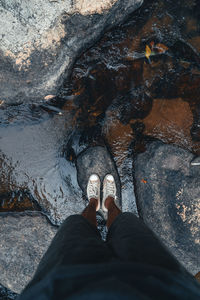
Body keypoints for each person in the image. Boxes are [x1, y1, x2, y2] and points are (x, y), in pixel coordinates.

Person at [19, 174, 200, 299]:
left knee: (77, 226)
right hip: (161, 284)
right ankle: (109, 203)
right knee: (127, 222)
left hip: (63, 285)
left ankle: (94, 203)